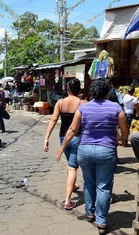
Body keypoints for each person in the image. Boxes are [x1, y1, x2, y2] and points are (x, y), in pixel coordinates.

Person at [56, 79, 128, 234]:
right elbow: (124, 128)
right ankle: (101, 222)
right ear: (107, 92)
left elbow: (72, 130)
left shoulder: (84, 108)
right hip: (106, 151)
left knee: (88, 182)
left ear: (92, 92)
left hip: (85, 150)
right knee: (103, 186)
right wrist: (123, 138)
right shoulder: (116, 107)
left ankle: (90, 213)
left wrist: (62, 147)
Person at [43, 78, 87, 210]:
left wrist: (46, 138)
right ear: (79, 89)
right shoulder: (83, 103)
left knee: (70, 165)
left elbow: (53, 119)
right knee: (72, 167)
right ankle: (68, 200)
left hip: (63, 138)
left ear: (67, 89)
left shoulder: (60, 103)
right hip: (78, 137)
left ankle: (72, 186)